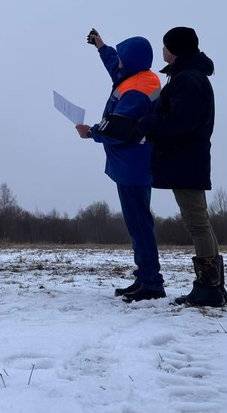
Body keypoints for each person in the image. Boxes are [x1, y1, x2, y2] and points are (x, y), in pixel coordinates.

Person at [97, 26, 227, 308]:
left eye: (165, 46)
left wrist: (144, 123)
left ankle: (208, 287)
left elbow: (180, 123)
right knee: (198, 221)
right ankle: (212, 285)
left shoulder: (187, 80)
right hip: (186, 158)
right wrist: (101, 47)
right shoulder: (186, 77)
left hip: (186, 159)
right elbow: (117, 65)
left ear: (175, 50)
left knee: (196, 222)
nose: (162, 51)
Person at [76, 28, 165, 302]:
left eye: (124, 58)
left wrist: (90, 132)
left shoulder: (138, 90)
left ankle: (152, 282)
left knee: (139, 225)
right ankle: (145, 277)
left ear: (133, 61)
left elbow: (118, 129)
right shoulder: (135, 76)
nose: (120, 63)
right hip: (131, 166)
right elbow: (115, 65)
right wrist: (101, 47)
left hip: (134, 168)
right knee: (137, 223)